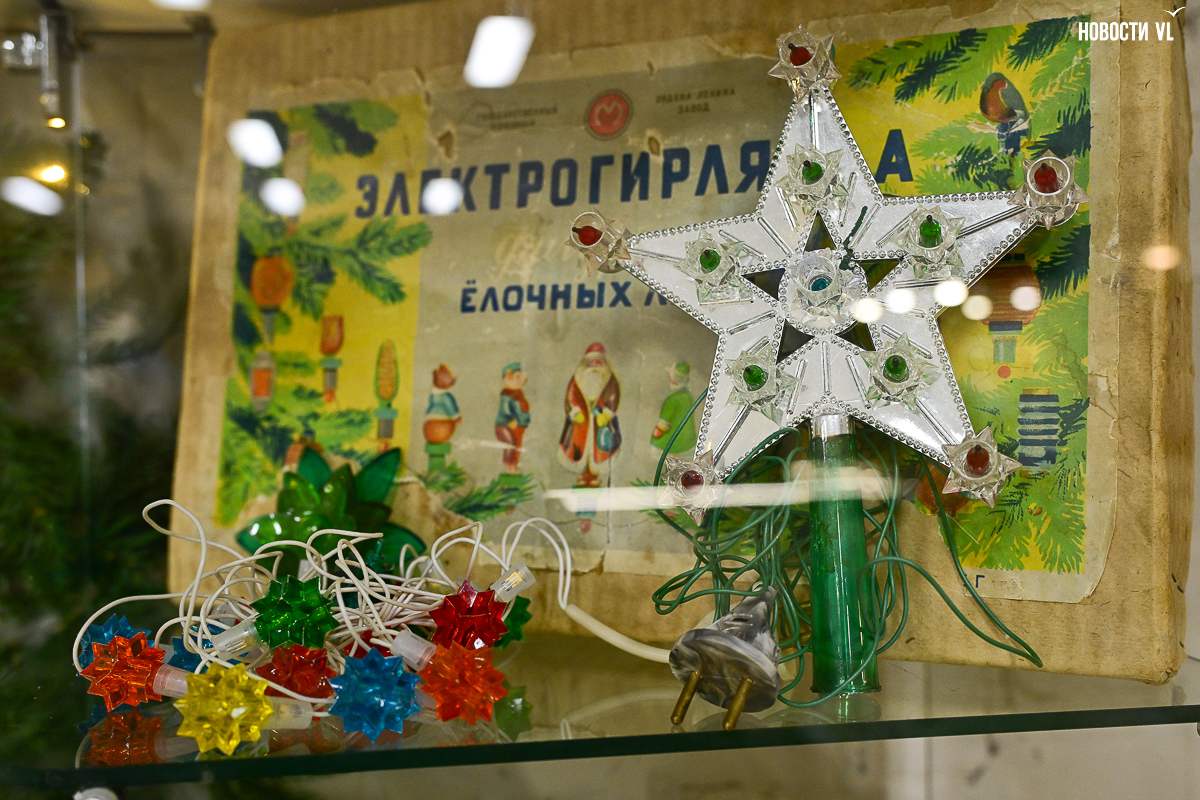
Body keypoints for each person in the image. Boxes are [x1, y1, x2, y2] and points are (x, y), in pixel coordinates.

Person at [558, 342, 621, 488]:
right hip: (581, 424)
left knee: (599, 449)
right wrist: (575, 412)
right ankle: (583, 476)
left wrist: (607, 413)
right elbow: (571, 398)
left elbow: (613, 397)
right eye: (591, 363)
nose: (595, 367)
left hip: (600, 423)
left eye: (598, 363)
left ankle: (593, 476)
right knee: (580, 448)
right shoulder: (577, 380)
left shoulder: (610, 381)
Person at [650, 360, 698, 454]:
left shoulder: (672, 400)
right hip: (690, 443)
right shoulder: (688, 396)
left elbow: (662, 426)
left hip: (675, 445)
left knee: (656, 446)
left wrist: (655, 435)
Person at [423, 364, 460, 473]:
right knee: (451, 424)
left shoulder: (433, 395)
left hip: (428, 428)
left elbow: (429, 409)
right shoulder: (446, 396)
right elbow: (452, 409)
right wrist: (456, 418)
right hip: (441, 428)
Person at [495, 362, 531, 474]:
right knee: (510, 445)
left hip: (518, 427)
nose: (522, 380)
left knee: (517, 446)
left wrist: (524, 420)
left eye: (521, 377)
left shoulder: (518, 394)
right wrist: (510, 420)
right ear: (508, 377)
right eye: (517, 377)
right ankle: (509, 467)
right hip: (506, 426)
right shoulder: (507, 396)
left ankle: (513, 465)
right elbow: (505, 411)